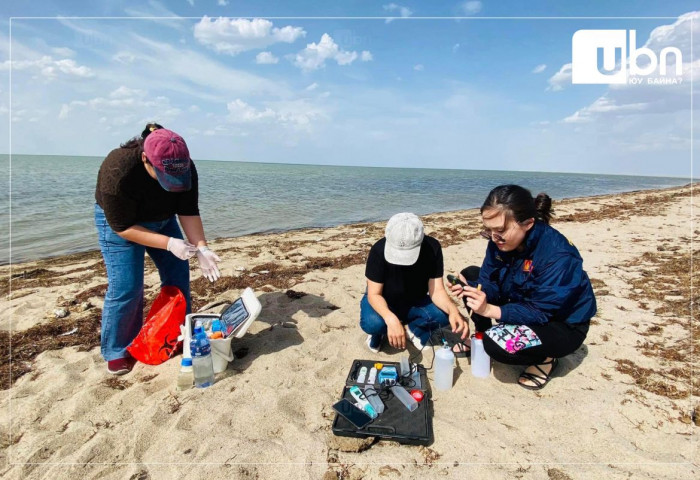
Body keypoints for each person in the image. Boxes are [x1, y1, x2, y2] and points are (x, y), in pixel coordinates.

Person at [95, 123, 221, 375]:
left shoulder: (185, 166)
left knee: (178, 278)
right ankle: (118, 349)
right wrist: (168, 243)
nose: (172, 184)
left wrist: (202, 248)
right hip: (123, 225)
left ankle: (173, 334)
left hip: (164, 220)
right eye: (165, 177)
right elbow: (122, 227)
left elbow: (188, 211)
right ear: (145, 159)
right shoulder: (118, 169)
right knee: (127, 287)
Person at [449, 185, 596, 390]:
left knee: (497, 345)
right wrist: (474, 290)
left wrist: (490, 310)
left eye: (500, 230)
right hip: (521, 299)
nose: (493, 237)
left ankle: (546, 359)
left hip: (561, 324)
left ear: (527, 223)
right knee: (470, 276)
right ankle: (480, 336)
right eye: (488, 229)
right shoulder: (498, 242)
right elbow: (489, 280)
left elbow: (540, 311)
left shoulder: (557, 256)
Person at [360, 212, 468, 353]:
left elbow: (437, 291)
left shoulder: (432, 248)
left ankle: (413, 330)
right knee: (373, 324)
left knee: (444, 316)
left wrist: (453, 310)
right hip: (384, 300)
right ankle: (378, 334)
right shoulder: (378, 250)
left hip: (415, 301)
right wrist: (390, 319)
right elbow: (374, 294)